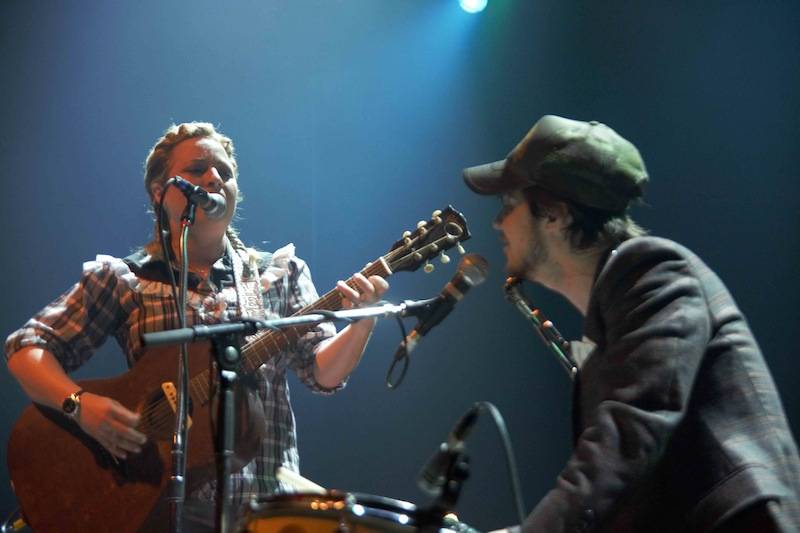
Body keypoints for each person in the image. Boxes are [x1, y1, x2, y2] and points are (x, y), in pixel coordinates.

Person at [5, 122, 388, 530]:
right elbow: (27, 348)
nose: (214, 178)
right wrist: (79, 406)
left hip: (263, 507)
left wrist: (361, 323)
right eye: (197, 169)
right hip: (160, 508)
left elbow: (323, 373)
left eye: (225, 171)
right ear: (159, 191)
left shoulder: (280, 275)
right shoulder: (126, 280)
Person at [462, 115, 800, 532]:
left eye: (508, 204)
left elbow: (629, 433)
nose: (497, 222)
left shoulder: (654, 270)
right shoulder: (614, 309)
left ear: (554, 214)